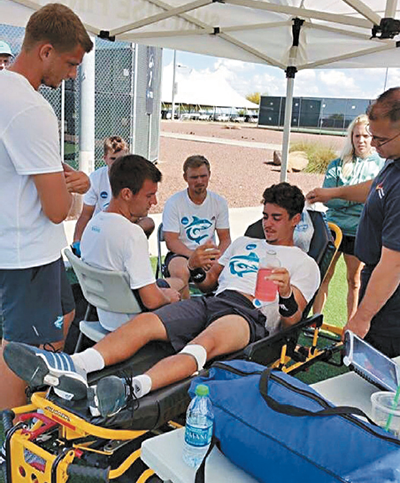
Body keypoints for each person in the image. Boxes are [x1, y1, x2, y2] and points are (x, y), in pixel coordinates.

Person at [4, 183, 320, 417]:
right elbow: (208, 283)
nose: (267, 223)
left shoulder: (304, 264)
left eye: (276, 217)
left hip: (249, 315)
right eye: (265, 215)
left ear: (295, 220)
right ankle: (73, 365)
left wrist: (286, 292)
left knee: (203, 345)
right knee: (145, 323)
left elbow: (292, 322)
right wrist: (195, 267)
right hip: (213, 301)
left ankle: (132, 389)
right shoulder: (242, 243)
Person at [0, 3, 93, 410]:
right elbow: (57, 209)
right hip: (26, 255)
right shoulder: (32, 108)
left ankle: (30, 397)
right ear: (45, 51)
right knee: (17, 353)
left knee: (63, 314)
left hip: (25, 250)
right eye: (71, 63)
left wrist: (68, 175)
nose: (73, 74)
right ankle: (11, 439)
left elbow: (31, 162)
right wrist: (76, 189)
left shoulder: (5, 91)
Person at [307, 87, 400, 357]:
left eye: (381, 139)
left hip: (391, 295)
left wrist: (361, 317)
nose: (373, 145)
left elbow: (393, 263)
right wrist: (333, 192)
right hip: (381, 280)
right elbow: (376, 188)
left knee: (380, 366)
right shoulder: (393, 159)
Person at [80, 154, 183, 331]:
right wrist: (168, 297)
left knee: (173, 284)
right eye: (149, 195)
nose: (154, 202)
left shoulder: (92, 226)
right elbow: (151, 300)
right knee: (180, 286)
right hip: (132, 323)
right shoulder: (132, 235)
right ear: (127, 194)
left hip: (105, 315)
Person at [313, 115, 384, 320]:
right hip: (333, 229)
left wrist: (340, 194)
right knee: (323, 276)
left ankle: (350, 326)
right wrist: (356, 197)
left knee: (354, 281)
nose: (361, 140)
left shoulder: (381, 165)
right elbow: (328, 198)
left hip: (359, 231)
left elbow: (375, 200)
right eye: (356, 136)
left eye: (365, 135)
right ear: (350, 137)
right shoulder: (337, 163)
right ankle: (314, 320)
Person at [162, 155, 231, 299]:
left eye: (203, 176)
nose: (199, 181)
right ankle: (185, 312)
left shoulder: (219, 202)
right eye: (194, 177)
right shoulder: (174, 203)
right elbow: (171, 241)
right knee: (181, 271)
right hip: (181, 253)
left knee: (232, 269)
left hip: (209, 254)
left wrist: (217, 259)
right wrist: (194, 257)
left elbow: (225, 239)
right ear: (185, 177)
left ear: (209, 175)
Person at [73, 136, 155, 250]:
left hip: (126, 226)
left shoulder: (136, 179)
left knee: (148, 223)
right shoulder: (95, 178)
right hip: (101, 226)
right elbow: (86, 214)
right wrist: (76, 241)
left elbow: (141, 214)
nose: (117, 164)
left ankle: (133, 249)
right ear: (105, 158)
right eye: (113, 159)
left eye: (121, 159)